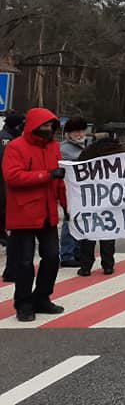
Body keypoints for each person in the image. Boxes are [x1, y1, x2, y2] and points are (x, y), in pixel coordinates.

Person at [2, 108, 67, 322]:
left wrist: (68, 207)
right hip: (23, 213)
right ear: (33, 127)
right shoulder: (16, 147)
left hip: (47, 213)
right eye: (44, 126)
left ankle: (42, 298)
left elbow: (60, 184)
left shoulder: (54, 148)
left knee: (51, 257)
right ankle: (23, 303)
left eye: (51, 126)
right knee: (24, 262)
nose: (48, 130)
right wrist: (46, 175)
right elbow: (13, 177)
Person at [76, 138, 125, 277]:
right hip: (110, 197)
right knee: (108, 232)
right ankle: (108, 265)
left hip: (89, 197)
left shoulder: (88, 152)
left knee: (88, 233)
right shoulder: (121, 153)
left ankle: (85, 266)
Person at [57, 116, 88, 268]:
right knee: (70, 220)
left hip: (84, 191)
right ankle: (67, 254)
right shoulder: (63, 149)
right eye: (76, 131)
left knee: (81, 220)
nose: (80, 134)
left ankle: (77, 252)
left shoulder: (87, 146)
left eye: (82, 131)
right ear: (68, 133)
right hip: (69, 190)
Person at [0, 112, 26, 283]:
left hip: (7, 192)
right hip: (6, 192)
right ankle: (12, 269)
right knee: (15, 234)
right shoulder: (7, 142)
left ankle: (12, 269)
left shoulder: (7, 139)